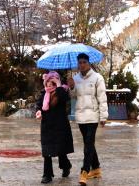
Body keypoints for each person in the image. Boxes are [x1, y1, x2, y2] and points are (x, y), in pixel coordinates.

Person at [67, 53, 108, 186]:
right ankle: (96, 168)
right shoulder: (75, 78)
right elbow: (73, 96)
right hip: (81, 116)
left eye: (84, 62)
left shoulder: (97, 78)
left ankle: (84, 171)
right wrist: (71, 87)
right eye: (80, 62)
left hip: (93, 116)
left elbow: (102, 98)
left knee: (88, 144)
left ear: (89, 63)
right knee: (88, 143)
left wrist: (103, 116)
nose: (82, 65)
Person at [35, 71, 74, 184]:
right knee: (47, 151)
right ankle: (47, 175)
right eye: (48, 82)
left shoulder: (62, 91)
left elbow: (65, 99)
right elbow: (39, 105)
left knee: (60, 150)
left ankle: (66, 166)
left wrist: (59, 85)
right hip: (47, 126)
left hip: (60, 125)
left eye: (52, 83)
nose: (49, 85)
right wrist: (38, 111)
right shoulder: (44, 93)